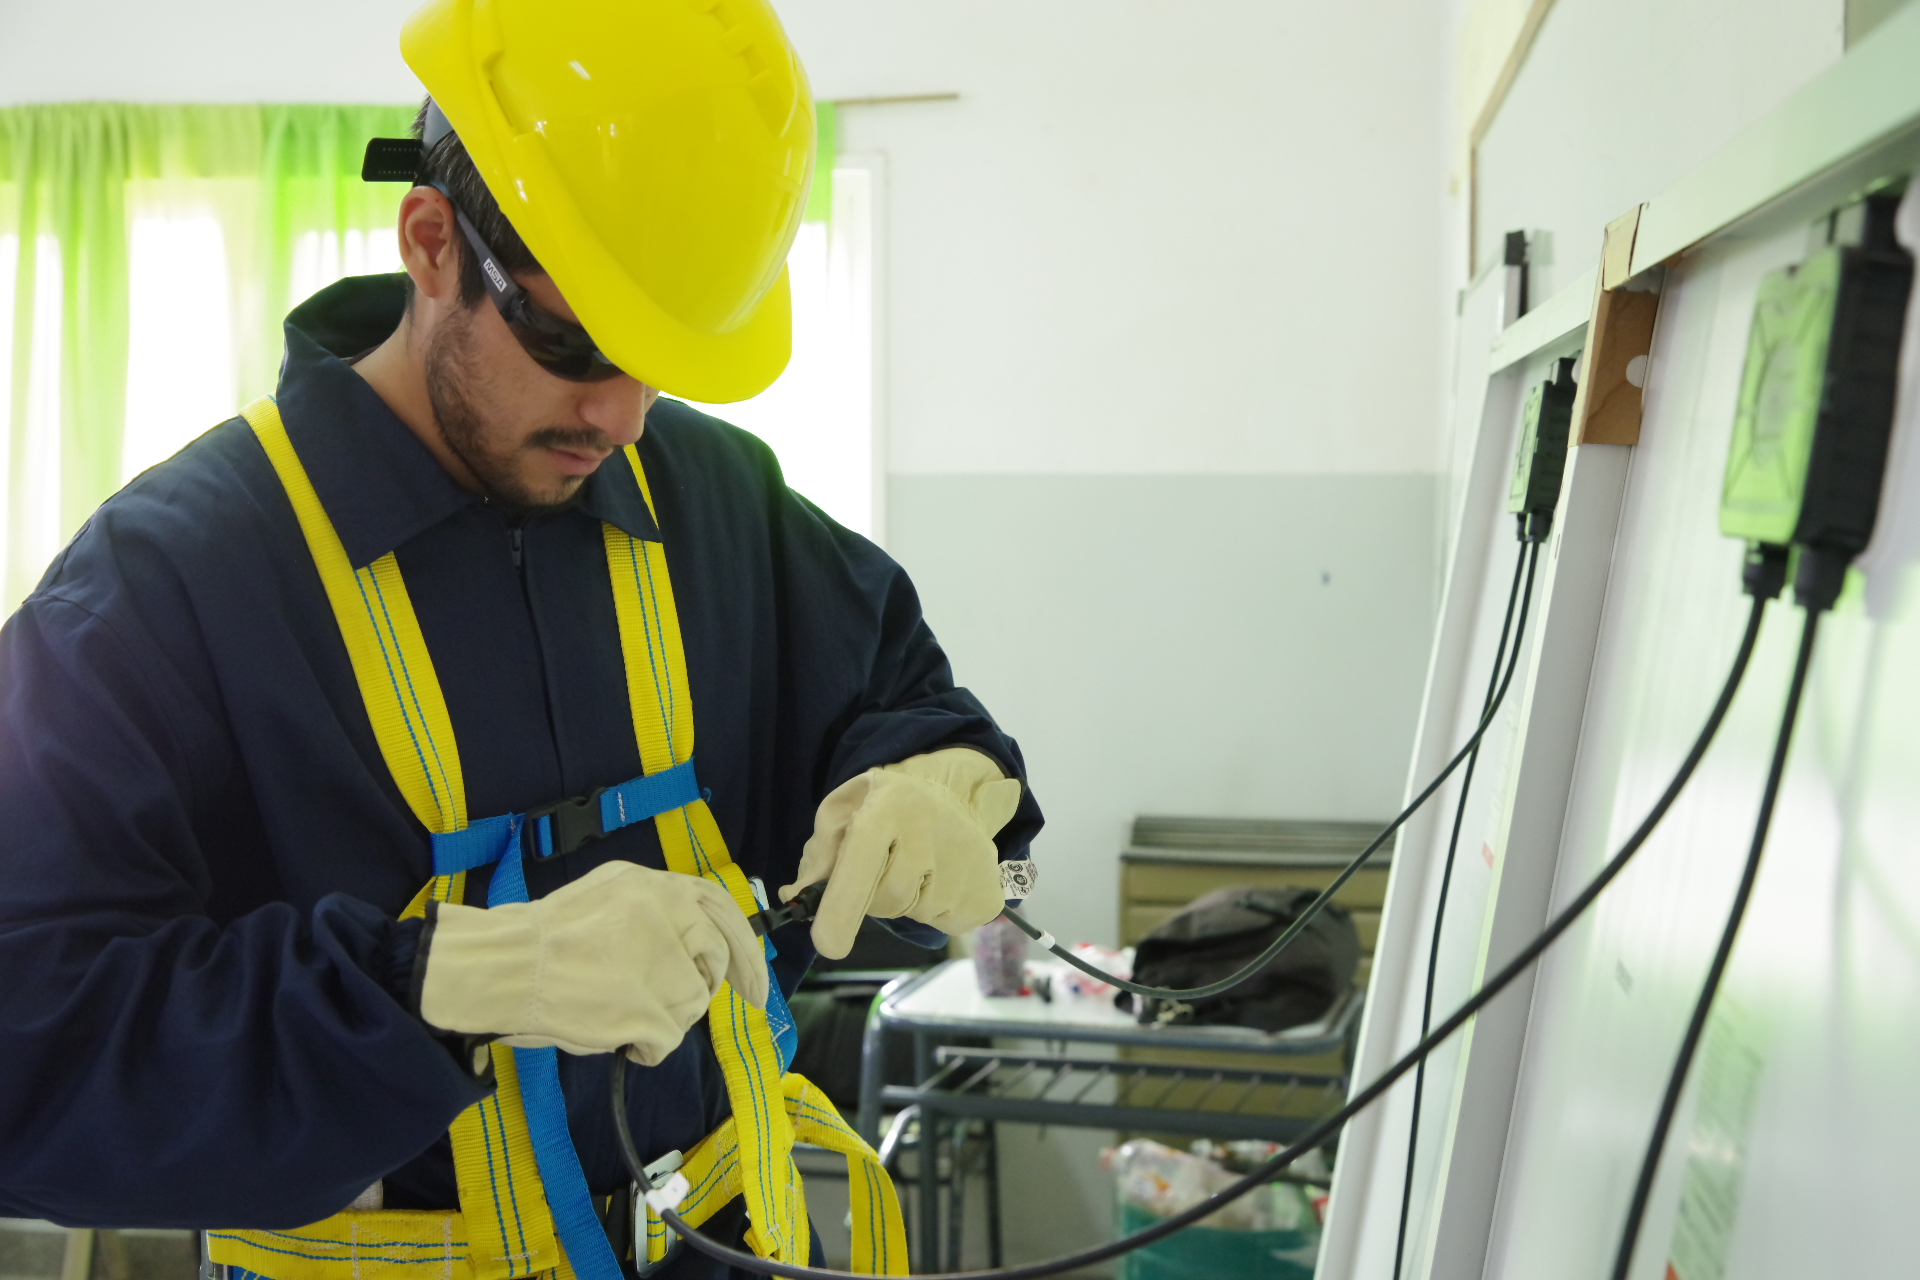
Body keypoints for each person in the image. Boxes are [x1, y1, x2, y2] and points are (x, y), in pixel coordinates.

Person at [0, 1, 1041, 1276]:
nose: (616, 411)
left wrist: (941, 780)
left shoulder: (706, 499)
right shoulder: (167, 583)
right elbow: (32, 1038)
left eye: (662, 359)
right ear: (432, 239)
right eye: (573, 340)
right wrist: (442, 978)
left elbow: (895, 695)